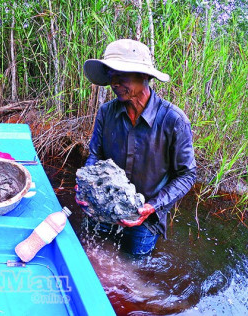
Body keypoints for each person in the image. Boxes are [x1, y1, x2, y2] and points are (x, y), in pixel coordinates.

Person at [76, 39, 197, 255]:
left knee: (133, 272)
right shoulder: (106, 112)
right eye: (111, 75)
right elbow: (96, 155)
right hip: (104, 205)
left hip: (146, 219)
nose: (114, 82)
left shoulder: (174, 121)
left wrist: (150, 207)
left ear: (145, 76)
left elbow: (187, 175)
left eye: (121, 75)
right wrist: (85, 181)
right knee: (94, 256)